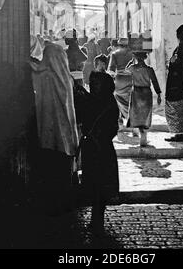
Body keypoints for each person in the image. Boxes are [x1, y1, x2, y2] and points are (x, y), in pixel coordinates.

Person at [30, 43, 79, 214]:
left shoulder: (47, 76)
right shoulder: (66, 78)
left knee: (52, 170)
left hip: (50, 135)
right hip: (65, 134)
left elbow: (36, 69)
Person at [80, 54, 119, 234]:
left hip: (98, 148)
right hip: (101, 149)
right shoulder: (107, 102)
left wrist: (95, 136)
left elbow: (112, 127)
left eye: (97, 84)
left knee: (98, 184)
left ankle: (98, 219)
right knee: (98, 184)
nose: (94, 87)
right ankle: (97, 219)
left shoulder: (99, 102)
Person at [127, 52, 162, 147]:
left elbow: (125, 71)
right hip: (147, 93)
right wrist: (159, 94)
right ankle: (143, 133)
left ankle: (138, 131)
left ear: (136, 58)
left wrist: (131, 61)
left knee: (136, 113)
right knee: (145, 114)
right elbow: (155, 82)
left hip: (137, 93)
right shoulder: (149, 69)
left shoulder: (133, 68)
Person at [108, 38, 133, 130]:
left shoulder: (115, 54)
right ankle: (133, 122)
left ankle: (120, 122)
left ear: (119, 44)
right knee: (131, 101)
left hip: (120, 79)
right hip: (132, 79)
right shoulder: (133, 53)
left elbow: (111, 70)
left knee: (117, 101)